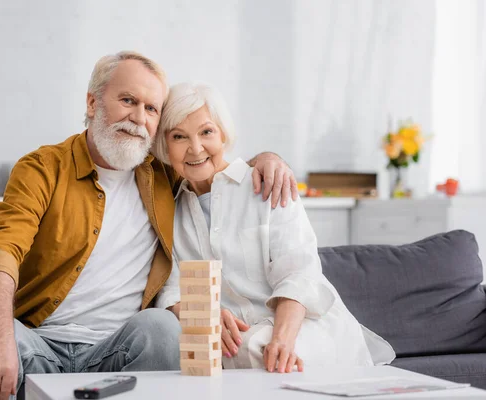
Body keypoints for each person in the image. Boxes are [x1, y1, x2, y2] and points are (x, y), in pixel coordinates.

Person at [0, 51, 298, 400]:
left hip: (118, 352)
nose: (138, 119)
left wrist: (268, 161)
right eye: (128, 101)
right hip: (41, 342)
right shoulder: (42, 168)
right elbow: (0, 250)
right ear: (92, 103)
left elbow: (210, 160)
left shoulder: (162, 173)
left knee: (162, 327)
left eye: (151, 109)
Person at [154, 82, 396, 373]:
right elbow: (170, 290)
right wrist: (202, 314)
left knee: (252, 351)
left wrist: (281, 341)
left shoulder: (266, 184)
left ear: (223, 134)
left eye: (207, 132)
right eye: (179, 136)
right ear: (165, 147)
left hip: (299, 325)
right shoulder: (170, 212)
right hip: (235, 339)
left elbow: (300, 272)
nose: (195, 148)